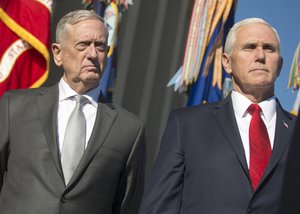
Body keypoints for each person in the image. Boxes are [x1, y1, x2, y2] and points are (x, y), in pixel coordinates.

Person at [138, 18, 296, 214]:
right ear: (227, 62)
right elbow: (159, 207)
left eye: (269, 48)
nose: (260, 55)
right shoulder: (187, 125)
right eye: (249, 47)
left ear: (280, 65)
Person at [0, 10, 145, 214]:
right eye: (83, 45)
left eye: (101, 46)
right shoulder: (14, 107)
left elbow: (126, 206)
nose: (93, 54)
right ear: (58, 53)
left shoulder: (129, 129)